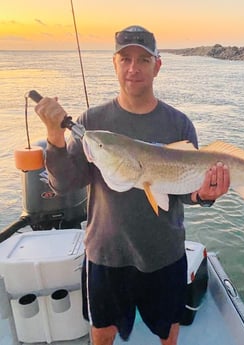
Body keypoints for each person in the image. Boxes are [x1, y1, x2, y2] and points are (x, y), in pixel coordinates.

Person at [35, 25, 230, 345]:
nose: (133, 68)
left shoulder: (179, 124)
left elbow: (185, 191)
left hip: (163, 252)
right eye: (125, 59)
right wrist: (55, 139)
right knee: (102, 330)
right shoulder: (92, 122)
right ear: (114, 63)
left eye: (143, 59)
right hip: (106, 252)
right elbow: (65, 184)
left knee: (168, 328)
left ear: (158, 65)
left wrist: (204, 195)